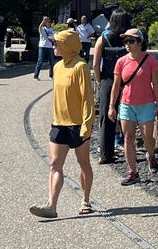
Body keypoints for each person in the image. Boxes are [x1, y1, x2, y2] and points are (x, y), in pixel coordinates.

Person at [29, 30, 95, 218]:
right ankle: (51, 205)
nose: (53, 46)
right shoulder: (57, 67)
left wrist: (87, 125)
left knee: (83, 163)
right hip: (59, 124)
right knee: (55, 164)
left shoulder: (81, 66)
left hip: (78, 124)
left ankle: (85, 200)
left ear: (67, 46)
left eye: (56, 43)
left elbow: (87, 99)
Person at [109, 28, 158, 185]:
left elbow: (156, 83)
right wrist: (112, 105)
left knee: (148, 138)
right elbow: (116, 85)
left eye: (131, 41)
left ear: (140, 42)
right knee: (128, 137)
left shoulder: (150, 60)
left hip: (146, 104)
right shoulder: (121, 61)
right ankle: (133, 172)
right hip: (126, 104)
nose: (128, 44)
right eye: (125, 41)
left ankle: (150, 155)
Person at [92, 9, 129, 165]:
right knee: (128, 115)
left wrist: (101, 81)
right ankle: (128, 149)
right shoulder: (129, 39)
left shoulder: (103, 39)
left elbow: (94, 64)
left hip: (108, 78)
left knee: (107, 116)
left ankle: (105, 154)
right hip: (127, 80)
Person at [34, 16, 56, 81]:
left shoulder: (51, 30)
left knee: (51, 62)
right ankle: (36, 75)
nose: (49, 23)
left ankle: (51, 75)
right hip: (43, 46)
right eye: (48, 22)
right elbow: (40, 27)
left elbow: (53, 37)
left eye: (50, 22)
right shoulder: (43, 29)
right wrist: (43, 21)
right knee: (40, 61)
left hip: (49, 46)